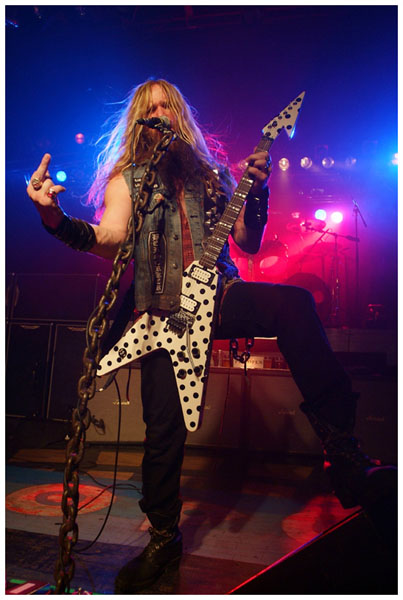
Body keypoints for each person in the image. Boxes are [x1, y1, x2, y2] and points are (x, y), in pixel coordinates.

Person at [27, 79, 396, 593]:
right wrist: (53, 217)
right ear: (138, 122)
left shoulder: (212, 175)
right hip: (161, 314)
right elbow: (111, 238)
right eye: (150, 108)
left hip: (220, 293)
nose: (160, 114)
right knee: (163, 432)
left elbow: (247, 241)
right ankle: (163, 539)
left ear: (180, 116)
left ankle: (344, 453)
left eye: (167, 106)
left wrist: (258, 192)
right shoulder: (128, 180)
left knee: (294, 304)